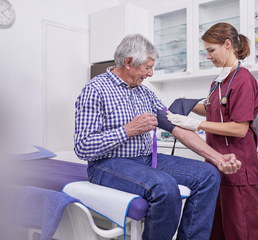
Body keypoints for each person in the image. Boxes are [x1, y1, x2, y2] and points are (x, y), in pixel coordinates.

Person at [74, 33, 241, 240]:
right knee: (164, 186)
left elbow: (176, 127)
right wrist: (128, 129)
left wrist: (217, 157)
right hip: (107, 164)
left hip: (145, 161)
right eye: (147, 68)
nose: (151, 74)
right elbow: (82, 147)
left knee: (208, 175)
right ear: (128, 62)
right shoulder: (95, 90)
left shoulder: (145, 93)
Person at [168, 23, 258, 240]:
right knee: (216, 230)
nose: (208, 56)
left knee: (241, 230)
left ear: (227, 45)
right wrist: (188, 105)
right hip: (214, 166)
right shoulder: (218, 82)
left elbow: (239, 128)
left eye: (211, 50)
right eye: (206, 51)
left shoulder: (244, 79)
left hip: (237, 166)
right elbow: (213, 109)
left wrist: (194, 124)